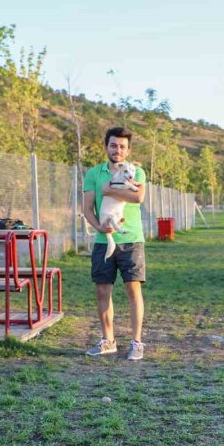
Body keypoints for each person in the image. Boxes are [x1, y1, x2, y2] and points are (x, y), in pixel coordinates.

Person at [82, 127, 147, 360]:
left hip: (131, 239)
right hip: (103, 239)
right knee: (102, 290)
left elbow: (138, 197)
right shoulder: (93, 174)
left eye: (122, 146)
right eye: (113, 145)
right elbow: (87, 208)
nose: (117, 150)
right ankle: (108, 340)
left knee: (133, 289)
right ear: (106, 146)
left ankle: (136, 342)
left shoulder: (137, 171)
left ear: (128, 149)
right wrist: (99, 226)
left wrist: (109, 189)